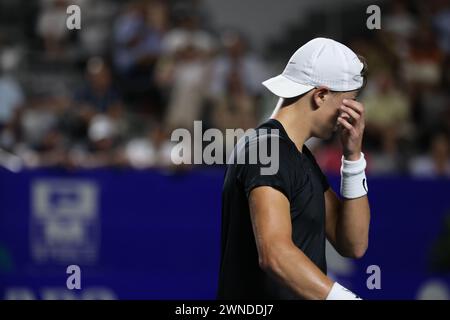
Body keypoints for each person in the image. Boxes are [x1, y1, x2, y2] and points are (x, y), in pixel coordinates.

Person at [218, 38, 371, 300]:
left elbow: (353, 243)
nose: (351, 114)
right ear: (321, 95)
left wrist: (353, 156)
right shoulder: (267, 150)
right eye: (349, 102)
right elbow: (275, 255)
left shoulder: (297, 155)